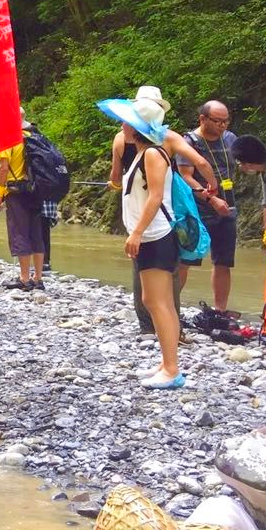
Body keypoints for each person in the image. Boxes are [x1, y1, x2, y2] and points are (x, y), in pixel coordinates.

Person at [109, 86, 218, 334]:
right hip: (166, 210)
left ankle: (150, 327)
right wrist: (212, 188)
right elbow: (201, 162)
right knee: (169, 273)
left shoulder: (120, 140)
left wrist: (117, 185)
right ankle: (171, 328)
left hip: (141, 208)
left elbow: (116, 178)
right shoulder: (168, 137)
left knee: (142, 271)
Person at [98, 97, 184, 389]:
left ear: (137, 127)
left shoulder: (152, 155)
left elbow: (156, 196)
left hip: (155, 236)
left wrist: (136, 233)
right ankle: (166, 363)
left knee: (158, 302)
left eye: (126, 121)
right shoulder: (143, 152)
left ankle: (172, 369)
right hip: (152, 235)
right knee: (158, 301)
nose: (122, 125)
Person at [176, 100, 238, 311]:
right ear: (202, 119)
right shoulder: (189, 143)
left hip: (227, 206)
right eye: (217, 121)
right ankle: (171, 307)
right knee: (186, 259)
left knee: (223, 261)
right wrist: (211, 198)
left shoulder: (230, 139)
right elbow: (185, 176)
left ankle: (221, 310)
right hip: (197, 209)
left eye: (226, 121)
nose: (223, 126)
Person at [0, 109, 46, 291]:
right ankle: (38, 278)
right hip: (37, 190)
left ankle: (24, 278)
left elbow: (3, 168)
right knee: (36, 231)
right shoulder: (35, 137)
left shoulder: (8, 138)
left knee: (19, 231)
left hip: (16, 190)